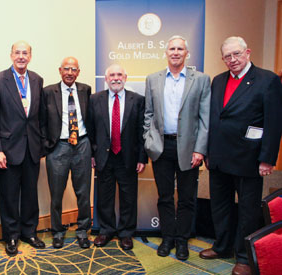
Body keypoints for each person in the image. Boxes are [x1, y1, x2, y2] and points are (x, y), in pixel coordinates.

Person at [200, 36, 282, 275]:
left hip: (249, 158)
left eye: (236, 54)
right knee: (220, 206)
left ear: (248, 52)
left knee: (247, 210)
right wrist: (207, 152)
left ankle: (245, 257)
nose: (232, 60)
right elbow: (214, 118)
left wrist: (268, 158)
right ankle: (222, 246)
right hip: (218, 157)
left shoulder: (267, 80)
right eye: (227, 56)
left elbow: (274, 121)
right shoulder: (218, 80)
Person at [143, 35, 210, 260]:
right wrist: (148, 140)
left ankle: (182, 241)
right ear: (166, 52)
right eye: (171, 48)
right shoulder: (153, 79)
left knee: (186, 197)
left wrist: (200, 149)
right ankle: (167, 238)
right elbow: (148, 114)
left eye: (180, 49)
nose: (175, 52)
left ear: (186, 53)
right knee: (164, 196)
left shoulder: (200, 79)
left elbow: (204, 118)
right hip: (161, 147)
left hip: (188, 148)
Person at [0, 40, 45, 256]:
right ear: (11, 55)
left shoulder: (37, 80)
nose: (21, 56)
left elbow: (39, 117)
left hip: (32, 148)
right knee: (9, 196)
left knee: (31, 194)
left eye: (25, 53)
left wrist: (41, 145)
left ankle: (29, 232)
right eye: (17, 52)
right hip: (8, 150)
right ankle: (11, 236)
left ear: (30, 56)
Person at [87, 64, 146, 250]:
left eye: (119, 74)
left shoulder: (137, 100)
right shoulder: (95, 99)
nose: (115, 78)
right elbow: (90, 129)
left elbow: (142, 131)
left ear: (125, 77)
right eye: (111, 75)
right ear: (106, 79)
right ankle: (106, 231)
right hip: (104, 156)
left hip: (128, 156)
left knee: (128, 197)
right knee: (105, 196)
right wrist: (92, 153)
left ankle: (126, 233)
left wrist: (142, 157)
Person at [41, 57, 92, 249]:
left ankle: (82, 231)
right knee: (56, 193)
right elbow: (41, 120)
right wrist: (47, 145)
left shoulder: (86, 90)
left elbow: (91, 118)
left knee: (84, 192)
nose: (70, 72)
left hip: (83, 144)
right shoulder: (48, 92)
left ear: (78, 72)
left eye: (74, 69)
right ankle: (57, 232)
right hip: (58, 148)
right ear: (60, 70)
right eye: (66, 69)